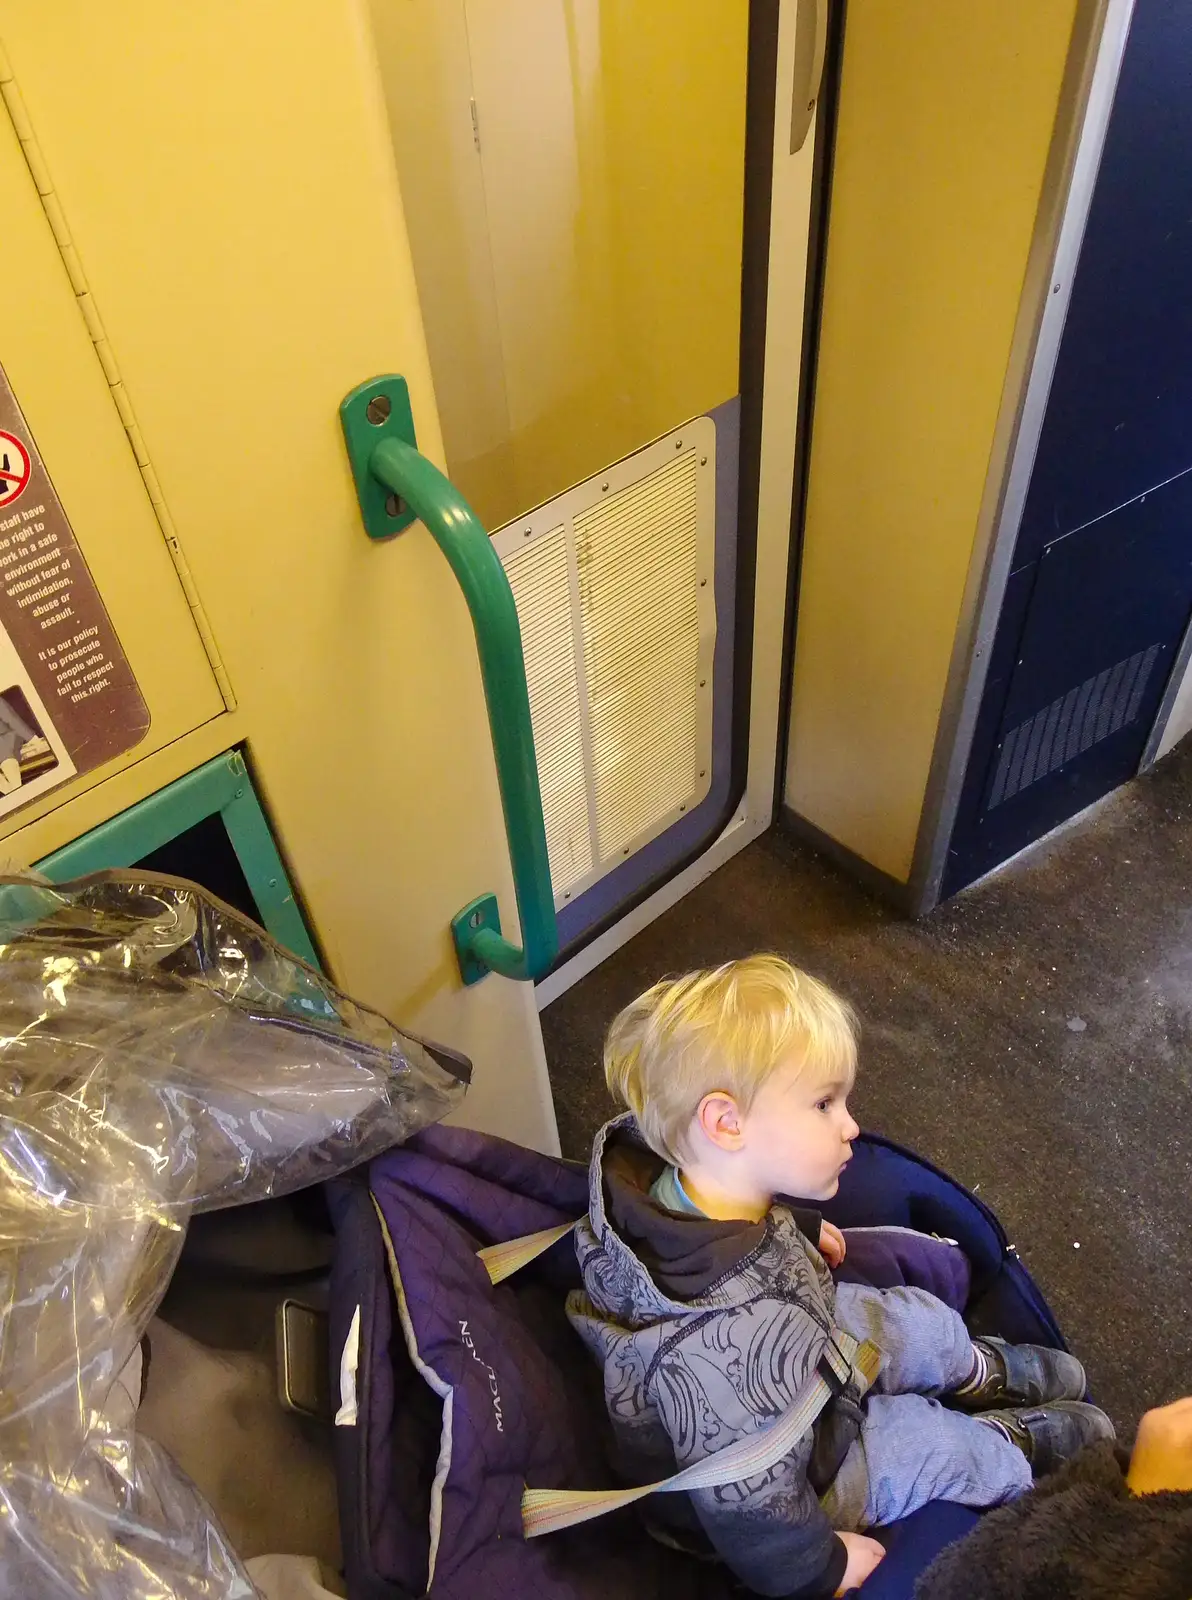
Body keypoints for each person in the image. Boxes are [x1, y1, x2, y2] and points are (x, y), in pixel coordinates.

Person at [567, 955, 1115, 1598]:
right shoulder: (715, 1360)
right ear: (726, 1123)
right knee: (928, 1445)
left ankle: (972, 1369)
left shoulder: (682, 1188)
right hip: (797, 1468)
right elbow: (748, 1502)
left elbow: (721, 1229)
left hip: (791, 1344)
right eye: (825, 1103)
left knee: (911, 1318)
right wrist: (818, 1568)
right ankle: (999, 1445)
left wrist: (792, 1229)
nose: (851, 1124)